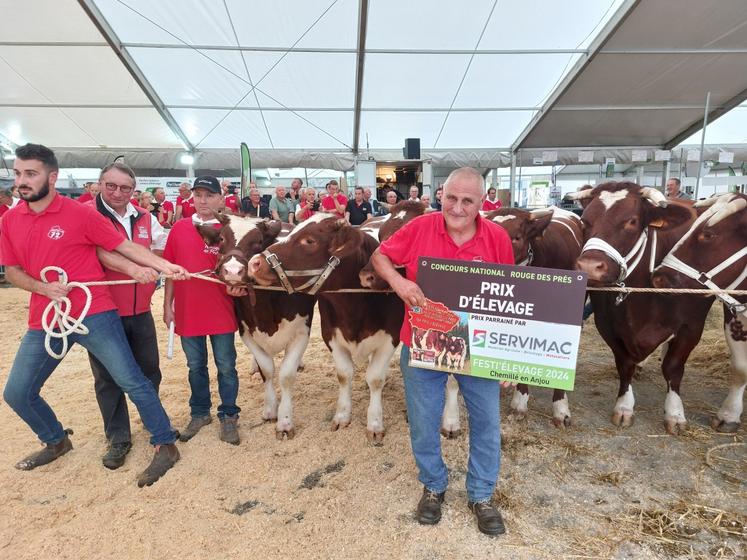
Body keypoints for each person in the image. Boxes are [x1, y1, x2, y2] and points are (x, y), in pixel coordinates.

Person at [1, 143, 188, 487]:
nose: (22, 181)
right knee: (17, 392)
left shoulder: (80, 213)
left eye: (31, 174)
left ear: (52, 177)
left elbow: (120, 247)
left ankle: (165, 443)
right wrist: (43, 289)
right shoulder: (10, 219)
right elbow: (11, 271)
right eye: (18, 173)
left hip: (95, 311)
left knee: (132, 379)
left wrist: (163, 266)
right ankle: (55, 439)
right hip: (47, 316)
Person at [371, 167, 515, 536]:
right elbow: (380, 257)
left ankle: (481, 495)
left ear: (482, 203)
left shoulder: (497, 237)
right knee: (422, 421)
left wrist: (507, 361)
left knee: (486, 422)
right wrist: (400, 281)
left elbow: (511, 298)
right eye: (452, 197)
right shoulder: (420, 227)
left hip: (478, 344)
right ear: (440, 195)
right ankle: (433, 485)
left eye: (468, 201)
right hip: (423, 342)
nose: (458, 207)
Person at [87, 162, 172, 470]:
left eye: (125, 188)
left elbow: (164, 244)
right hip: (101, 312)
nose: (118, 193)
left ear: (134, 191)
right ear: (99, 184)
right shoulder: (86, 215)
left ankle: (153, 421)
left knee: (150, 370)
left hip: (140, 309)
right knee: (107, 378)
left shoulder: (145, 216)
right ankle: (118, 436)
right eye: (111, 186)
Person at [163, 176, 241, 446]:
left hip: (221, 309)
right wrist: (167, 306)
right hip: (187, 309)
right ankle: (199, 413)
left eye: (209, 195)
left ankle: (229, 414)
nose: (203, 200)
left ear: (221, 198)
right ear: (191, 198)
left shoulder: (229, 228)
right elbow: (170, 271)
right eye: (198, 195)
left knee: (226, 366)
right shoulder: (180, 228)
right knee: (195, 366)